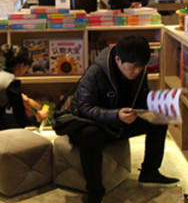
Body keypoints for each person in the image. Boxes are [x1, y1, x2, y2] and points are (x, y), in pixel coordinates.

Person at [65, 35, 178, 203]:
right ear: (118, 59)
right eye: (133, 67)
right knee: (90, 134)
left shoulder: (139, 71)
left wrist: (153, 106)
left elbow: (141, 98)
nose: (137, 71)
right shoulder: (96, 72)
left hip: (120, 121)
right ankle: (95, 191)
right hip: (94, 123)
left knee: (160, 119)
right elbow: (84, 108)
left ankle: (150, 172)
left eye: (141, 67)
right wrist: (115, 115)